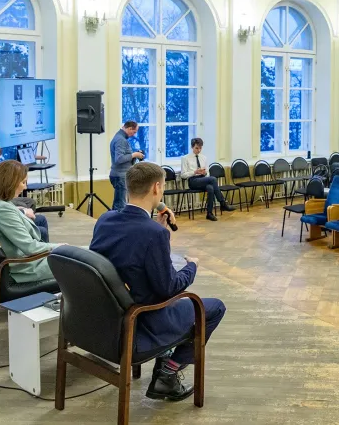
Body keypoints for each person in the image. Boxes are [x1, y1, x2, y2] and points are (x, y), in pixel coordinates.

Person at [90, 162, 226, 401]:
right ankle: (167, 372)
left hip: (109, 314)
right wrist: (191, 266)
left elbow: (130, 248)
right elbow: (168, 288)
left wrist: (158, 228)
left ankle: (167, 361)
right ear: (156, 188)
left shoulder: (106, 219)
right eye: (162, 187)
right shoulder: (154, 234)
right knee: (214, 308)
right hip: (144, 316)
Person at [0, 160, 63, 283]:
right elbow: (30, 247)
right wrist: (60, 247)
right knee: (86, 261)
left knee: (86, 254)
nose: (25, 187)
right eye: (23, 182)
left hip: (21, 263)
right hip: (24, 269)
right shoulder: (2, 209)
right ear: (9, 183)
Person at [179, 138, 236, 221]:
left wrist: (204, 173)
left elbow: (208, 173)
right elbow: (183, 175)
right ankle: (223, 203)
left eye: (200, 148)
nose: (198, 150)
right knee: (213, 179)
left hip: (203, 179)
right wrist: (195, 172)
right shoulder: (185, 158)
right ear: (192, 147)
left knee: (210, 188)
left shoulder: (204, 158)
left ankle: (209, 213)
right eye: (196, 148)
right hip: (193, 181)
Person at [110, 121, 145, 210]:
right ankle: (119, 223)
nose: (134, 134)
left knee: (118, 203)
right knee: (120, 206)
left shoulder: (119, 137)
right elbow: (119, 159)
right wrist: (134, 155)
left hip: (119, 175)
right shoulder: (121, 140)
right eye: (134, 132)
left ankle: (114, 222)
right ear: (129, 128)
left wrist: (134, 154)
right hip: (120, 176)